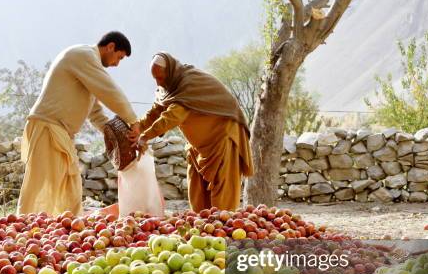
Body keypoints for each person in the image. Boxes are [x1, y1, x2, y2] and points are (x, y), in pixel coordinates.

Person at [17, 31, 140, 216]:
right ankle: (24, 229)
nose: (116, 64)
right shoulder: (83, 55)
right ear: (111, 47)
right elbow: (109, 90)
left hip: (60, 133)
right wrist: (133, 120)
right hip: (47, 127)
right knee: (40, 189)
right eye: (119, 57)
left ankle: (65, 233)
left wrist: (117, 134)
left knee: (70, 189)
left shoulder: (88, 67)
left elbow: (95, 112)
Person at [131, 52, 254, 212]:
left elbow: (172, 116)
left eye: (160, 78)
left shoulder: (188, 86)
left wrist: (145, 137)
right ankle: (202, 229)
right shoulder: (169, 87)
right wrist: (137, 127)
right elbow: (156, 111)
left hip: (223, 140)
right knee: (198, 197)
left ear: (170, 73)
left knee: (222, 203)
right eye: (155, 78)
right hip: (199, 147)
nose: (158, 83)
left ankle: (223, 233)